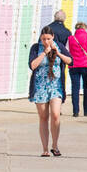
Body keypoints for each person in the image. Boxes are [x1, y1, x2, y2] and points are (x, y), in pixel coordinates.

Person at [29, 26, 70, 156]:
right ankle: (45, 149)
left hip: (55, 86)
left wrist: (57, 53)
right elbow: (32, 65)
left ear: (53, 37)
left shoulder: (59, 46)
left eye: (48, 39)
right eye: (44, 39)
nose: (46, 41)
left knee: (56, 114)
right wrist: (44, 53)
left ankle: (55, 145)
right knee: (43, 117)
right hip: (40, 86)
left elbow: (70, 60)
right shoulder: (36, 48)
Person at [68, 20, 87, 117]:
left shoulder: (70, 38)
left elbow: (67, 50)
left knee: (75, 88)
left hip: (74, 66)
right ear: (84, 28)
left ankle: (75, 111)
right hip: (86, 65)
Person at [44, 8, 73, 92]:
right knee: (60, 76)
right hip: (60, 57)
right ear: (64, 19)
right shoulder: (67, 32)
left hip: (47, 55)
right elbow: (68, 47)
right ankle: (59, 93)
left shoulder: (48, 28)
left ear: (54, 17)